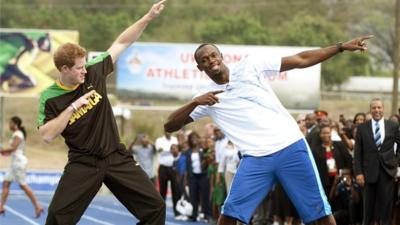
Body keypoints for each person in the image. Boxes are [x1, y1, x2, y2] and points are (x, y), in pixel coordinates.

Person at [164, 35, 373, 225]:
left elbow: (301, 60)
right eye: (204, 60)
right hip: (255, 159)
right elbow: (170, 125)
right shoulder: (204, 98)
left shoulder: (249, 66)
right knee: (229, 215)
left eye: (213, 55)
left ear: (221, 56)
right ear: (200, 67)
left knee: (320, 214)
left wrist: (340, 47)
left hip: (290, 147)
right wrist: (194, 103)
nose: (210, 60)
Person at [36, 1, 167, 224]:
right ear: (64, 69)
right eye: (79, 68)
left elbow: (122, 42)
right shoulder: (50, 97)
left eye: (85, 65)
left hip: (116, 156)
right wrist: (72, 107)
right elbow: (47, 135)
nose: (84, 71)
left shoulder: (93, 72)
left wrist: (148, 17)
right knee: (57, 217)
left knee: (155, 208)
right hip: (83, 162)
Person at [353, 98, 400, 225]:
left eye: (379, 107)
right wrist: (358, 173)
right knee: (368, 210)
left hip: (387, 172)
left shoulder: (393, 125)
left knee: (386, 209)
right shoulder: (362, 128)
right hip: (368, 174)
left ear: (383, 109)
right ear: (370, 109)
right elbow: (357, 153)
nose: (377, 110)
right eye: (374, 108)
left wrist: (396, 165)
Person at [0, 116, 44, 217]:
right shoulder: (17, 134)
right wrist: (4, 152)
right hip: (14, 163)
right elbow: (13, 150)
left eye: (10, 123)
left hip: (19, 163)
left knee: (23, 185)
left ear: (15, 124)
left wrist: (2, 151)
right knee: (6, 183)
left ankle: (38, 206)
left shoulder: (18, 134)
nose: (9, 125)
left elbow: (14, 148)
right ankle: (1, 206)